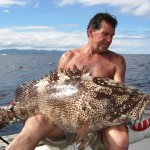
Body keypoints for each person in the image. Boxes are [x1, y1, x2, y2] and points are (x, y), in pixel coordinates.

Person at [6, 12, 136, 150]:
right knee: (34, 123)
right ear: (90, 32)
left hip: (104, 120)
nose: (109, 40)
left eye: (112, 36)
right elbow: (54, 92)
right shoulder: (67, 58)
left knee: (120, 141)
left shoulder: (117, 61)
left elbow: (120, 96)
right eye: (105, 34)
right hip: (69, 121)